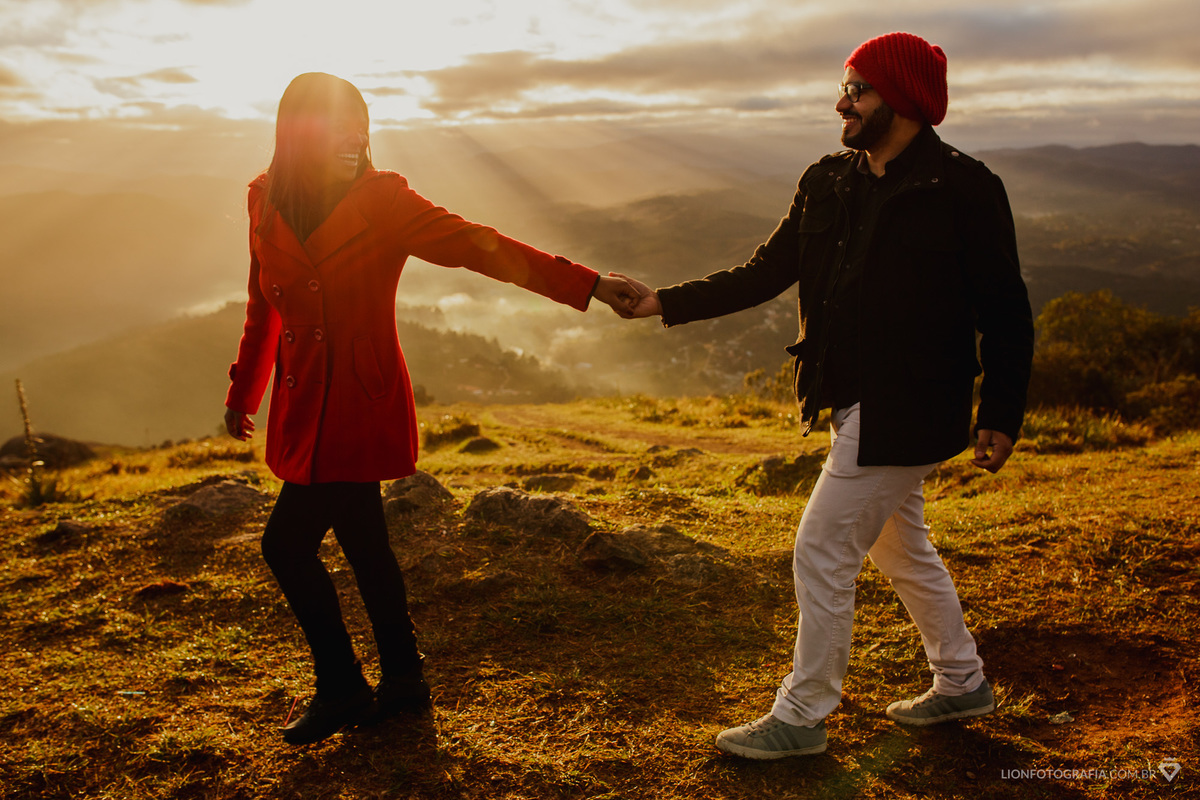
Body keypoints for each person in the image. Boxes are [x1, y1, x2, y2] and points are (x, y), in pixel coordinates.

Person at [616, 32, 1033, 759]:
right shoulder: (827, 179)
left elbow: (1005, 312)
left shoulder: (964, 188)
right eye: (845, 87)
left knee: (820, 549)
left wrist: (1000, 412)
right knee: (903, 551)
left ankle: (803, 714)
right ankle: (962, 681)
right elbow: (765, 269)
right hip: (848, 398)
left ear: (900, 100)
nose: (842, 101)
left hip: (912, 406)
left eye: (858, 89)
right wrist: (662, 302)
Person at [223, 72, 638, 746]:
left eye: (359, 121)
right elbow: (261, 303)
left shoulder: (381, 200)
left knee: (285, 544)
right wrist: (246, 389)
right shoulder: (264, 197)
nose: (353, 136)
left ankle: (341, 686)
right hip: (304, 401)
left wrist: (587, 284)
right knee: (364, 541)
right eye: (336, 124)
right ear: (296, 135)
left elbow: (482, 245)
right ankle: (405, 680)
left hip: (357, 400)